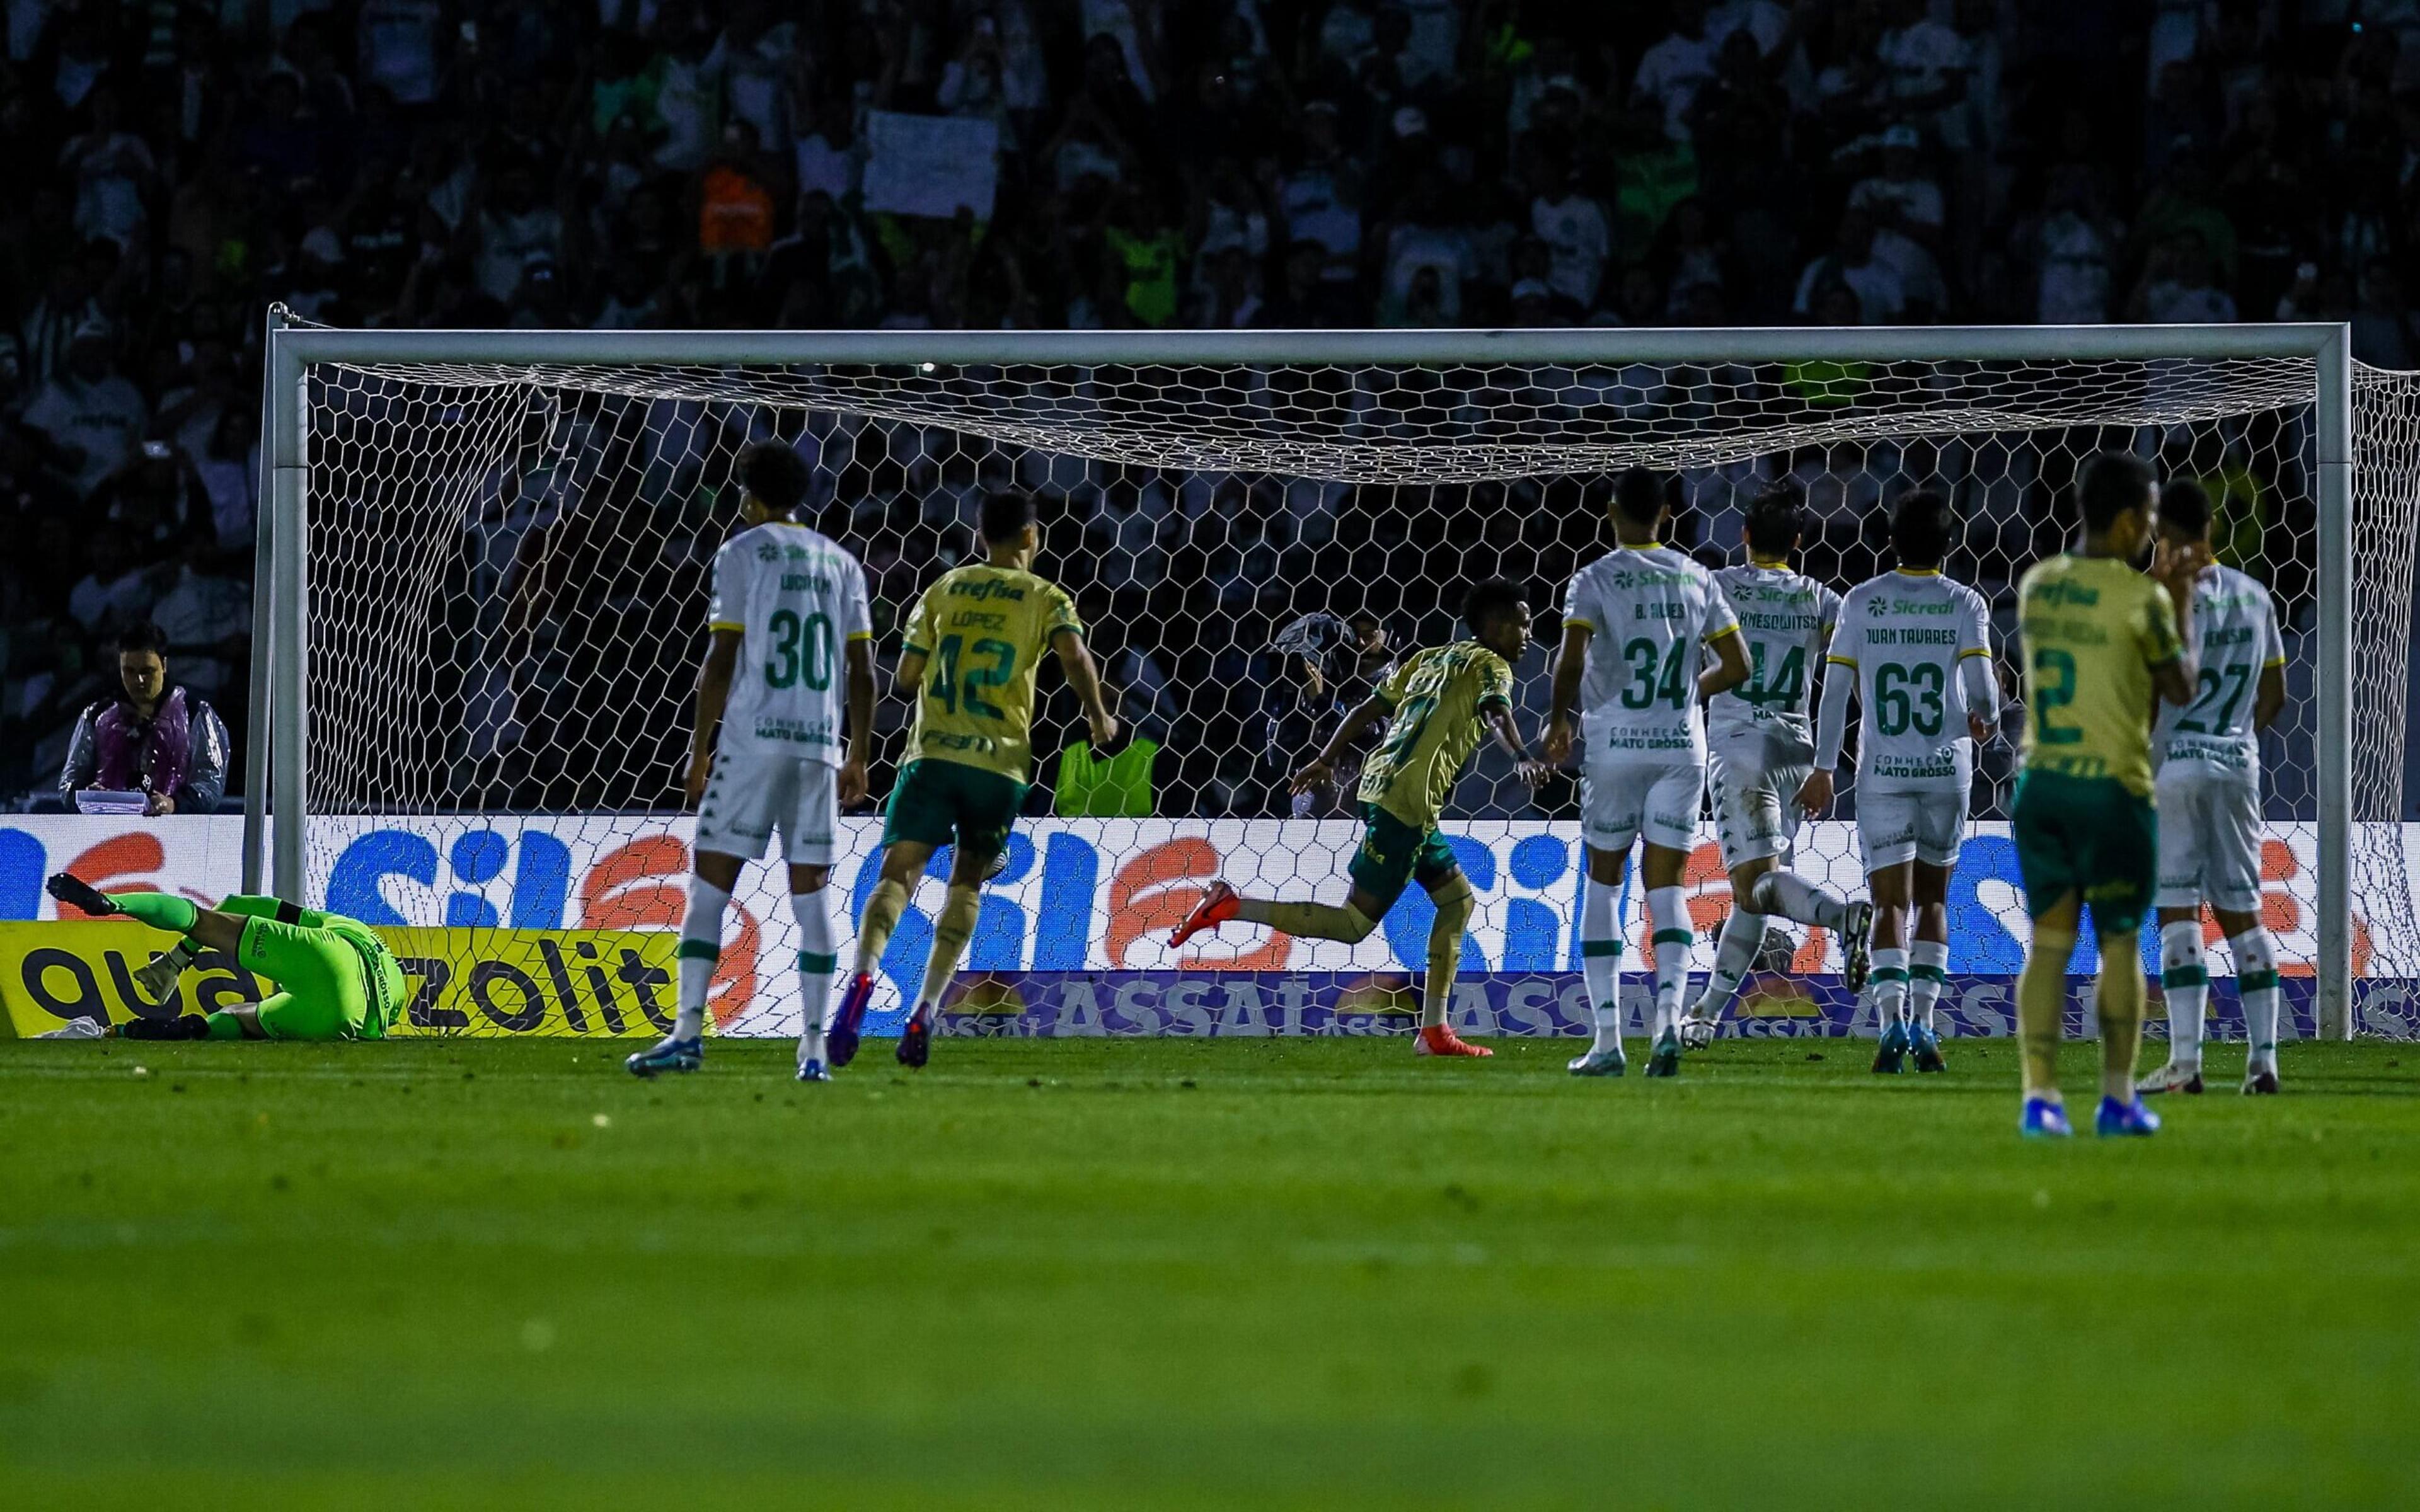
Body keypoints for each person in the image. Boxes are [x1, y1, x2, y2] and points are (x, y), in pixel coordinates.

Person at [1169, 578, 1551, 1059]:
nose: (1528, 634)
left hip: (1384, 788)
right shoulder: (1491, 666)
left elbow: (1371, 706)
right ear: (1495, 626)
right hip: (1406, 804)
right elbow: (1496, 712)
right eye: (1522, 623)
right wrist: (1520, 754)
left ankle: (1434, 1031)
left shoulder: (1428, 657)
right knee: (1353, 925)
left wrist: (1327, 758)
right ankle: (1229, 906)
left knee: (1457, 901)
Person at [829, 490, 1119, 1072]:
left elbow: (906, 678)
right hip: (999, 765)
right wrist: (1098, 715)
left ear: (981, 534)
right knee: (967, 884)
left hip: (931, 757)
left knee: (898, 876)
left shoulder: (945, 588)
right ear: (1032, 538)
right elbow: (1076, 658)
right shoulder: (1047, 596)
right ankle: (927, 1009)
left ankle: (861, 980)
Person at [626, 444, 877, 1084]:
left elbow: (721, 657)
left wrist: (698, 750)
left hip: (750, 742)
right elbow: (863, 673)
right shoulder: (842, 563)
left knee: (710, 889)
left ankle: (686, 1034)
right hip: (817, 749)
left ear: (750, 497)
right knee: (813, 902)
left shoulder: (741, 553)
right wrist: (859, 754)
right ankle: (815, 1051)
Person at [2010, 452, 2202, 1138]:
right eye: (2149, 517)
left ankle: (2040, 1100)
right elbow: (2179, 687)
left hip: (2042, 788)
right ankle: (2118, 1100)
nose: (2152, 532)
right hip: (2112, 792)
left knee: (2048, 946)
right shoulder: (2141, 598)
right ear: (2125, 522)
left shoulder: (2037, 585)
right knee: (2119, 946)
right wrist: (2176, 599)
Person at [1542, 469, 1751, 1079]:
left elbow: (1571, 659)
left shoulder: (1594, 579)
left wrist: (1559, 720)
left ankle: (1608, 1041)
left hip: (1615, 746)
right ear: (1666, 513)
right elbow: (1737, 665)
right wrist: (1689, 692)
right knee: (1667, 889)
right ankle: (1666, 1027)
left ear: (1611, 512)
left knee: (1606, 884)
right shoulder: (1697, 577)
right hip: (1679, 746)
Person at [1803, 490, 1997, 1075]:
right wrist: (1983, 719)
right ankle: (1928, 1026)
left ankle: (1889, 1026)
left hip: (1882, 774)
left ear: (1891, 541)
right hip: (1945, 771)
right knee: (1934, 898)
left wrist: (1823, 766)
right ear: (1949, 543)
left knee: (1889, 902)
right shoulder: (1965, 602)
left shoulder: (1861, 602)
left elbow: (1834, 692)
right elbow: (1984, 694)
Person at [1680, 483, 1872, 1050]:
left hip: (1741, 749)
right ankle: (1708, 1014)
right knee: (1756, 889)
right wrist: (1828, 764)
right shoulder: (1820, 597)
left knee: (1753, 884)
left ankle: (1842, 918)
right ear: (1796, 541)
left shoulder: (1716, 588)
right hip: (1796, 750)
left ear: (1742, 536)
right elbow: (1851, 670)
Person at [2135, 479, 2290, 1096]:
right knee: (2243, 914)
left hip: (2175, 766)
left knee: (2178, 910)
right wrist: (2232, 738)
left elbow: (2149, 692)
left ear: (2158, 532)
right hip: (2237, 765)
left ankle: (2186, 1064)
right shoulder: (2255, 597)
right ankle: (2264, 1064)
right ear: (2213, 529)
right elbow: (2274, 696)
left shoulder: (2157, 598)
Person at [44, 874, 404, 1043]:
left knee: (202, 921)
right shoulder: (396, 984)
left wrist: (179, 956)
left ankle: (113, 903)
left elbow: (234, 904)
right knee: (243, 1019)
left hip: (331, 957)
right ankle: (182, 1029)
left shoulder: (337, 924)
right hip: (346, 1021)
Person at [59, 621, 232, 815]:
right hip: (107, 834)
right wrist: (86, 795)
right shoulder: (97, 716)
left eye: (147, 671)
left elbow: (210, 784)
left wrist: (174, 804)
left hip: (174, 834)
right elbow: (70, 782)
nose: (138, 681)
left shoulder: (195, 714)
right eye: (129, 671)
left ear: (164, 665)